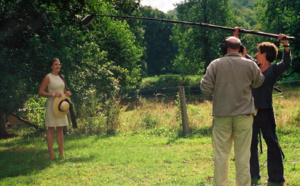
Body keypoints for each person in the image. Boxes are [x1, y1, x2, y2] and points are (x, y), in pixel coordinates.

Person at [200, 36, 264, 186]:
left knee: (221, 156)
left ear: (224, 48)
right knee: (243, 156)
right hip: (245, 115)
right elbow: (259, 82)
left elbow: (205, 89)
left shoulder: (215, 64)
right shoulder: (250, 65)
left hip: (222, 115)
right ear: (241, 49)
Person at [234, 28, 292, 185]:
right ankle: (253, 176)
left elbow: (287, 62)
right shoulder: (253, 66)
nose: (256, 54)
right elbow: (242, 55)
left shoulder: (273, 70)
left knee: (272, 144)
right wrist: (236, 38)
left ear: (265, 54)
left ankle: (276, 178)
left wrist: (285, 44)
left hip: (266, 112)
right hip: (250, 112)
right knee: (250, 145)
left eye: (258, 52)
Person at [38, 58, 72, 160]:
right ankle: (51, 153)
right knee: (51, 128)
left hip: (61, 105)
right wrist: (53, 94)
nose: (58, 66)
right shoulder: (48, 77)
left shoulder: (61, 77)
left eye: (59, 64)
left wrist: (67, 93)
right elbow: (40, 92)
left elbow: (62, 90)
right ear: (51, 66)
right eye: (55, 64)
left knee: (60, 128)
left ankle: (61, 153)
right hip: (51, 105)